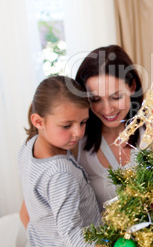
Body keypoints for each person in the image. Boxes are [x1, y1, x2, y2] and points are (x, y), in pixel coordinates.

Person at [18, 75, 100, 246]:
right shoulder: (60, 173)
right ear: (38, 121)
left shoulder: (28, 146)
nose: (78, 132)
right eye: (66, 125)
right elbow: (72, 235)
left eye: (83, 122)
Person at [75, 45, 144, 211]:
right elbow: (32, 212)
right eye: (96, 99)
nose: (107, 110)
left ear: (132, 86)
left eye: (116, 97)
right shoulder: (75, 139)